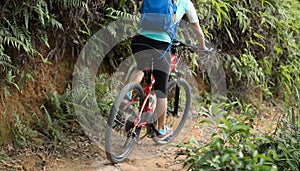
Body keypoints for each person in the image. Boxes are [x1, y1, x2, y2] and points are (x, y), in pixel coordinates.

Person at [128, 0, 208, 143]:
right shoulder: (186, 4)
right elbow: (199, 32)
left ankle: (125, 98)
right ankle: (161, 130)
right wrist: (202, 48)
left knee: (140, 68)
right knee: (161, 89)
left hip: (139, 40)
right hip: (161, 45)